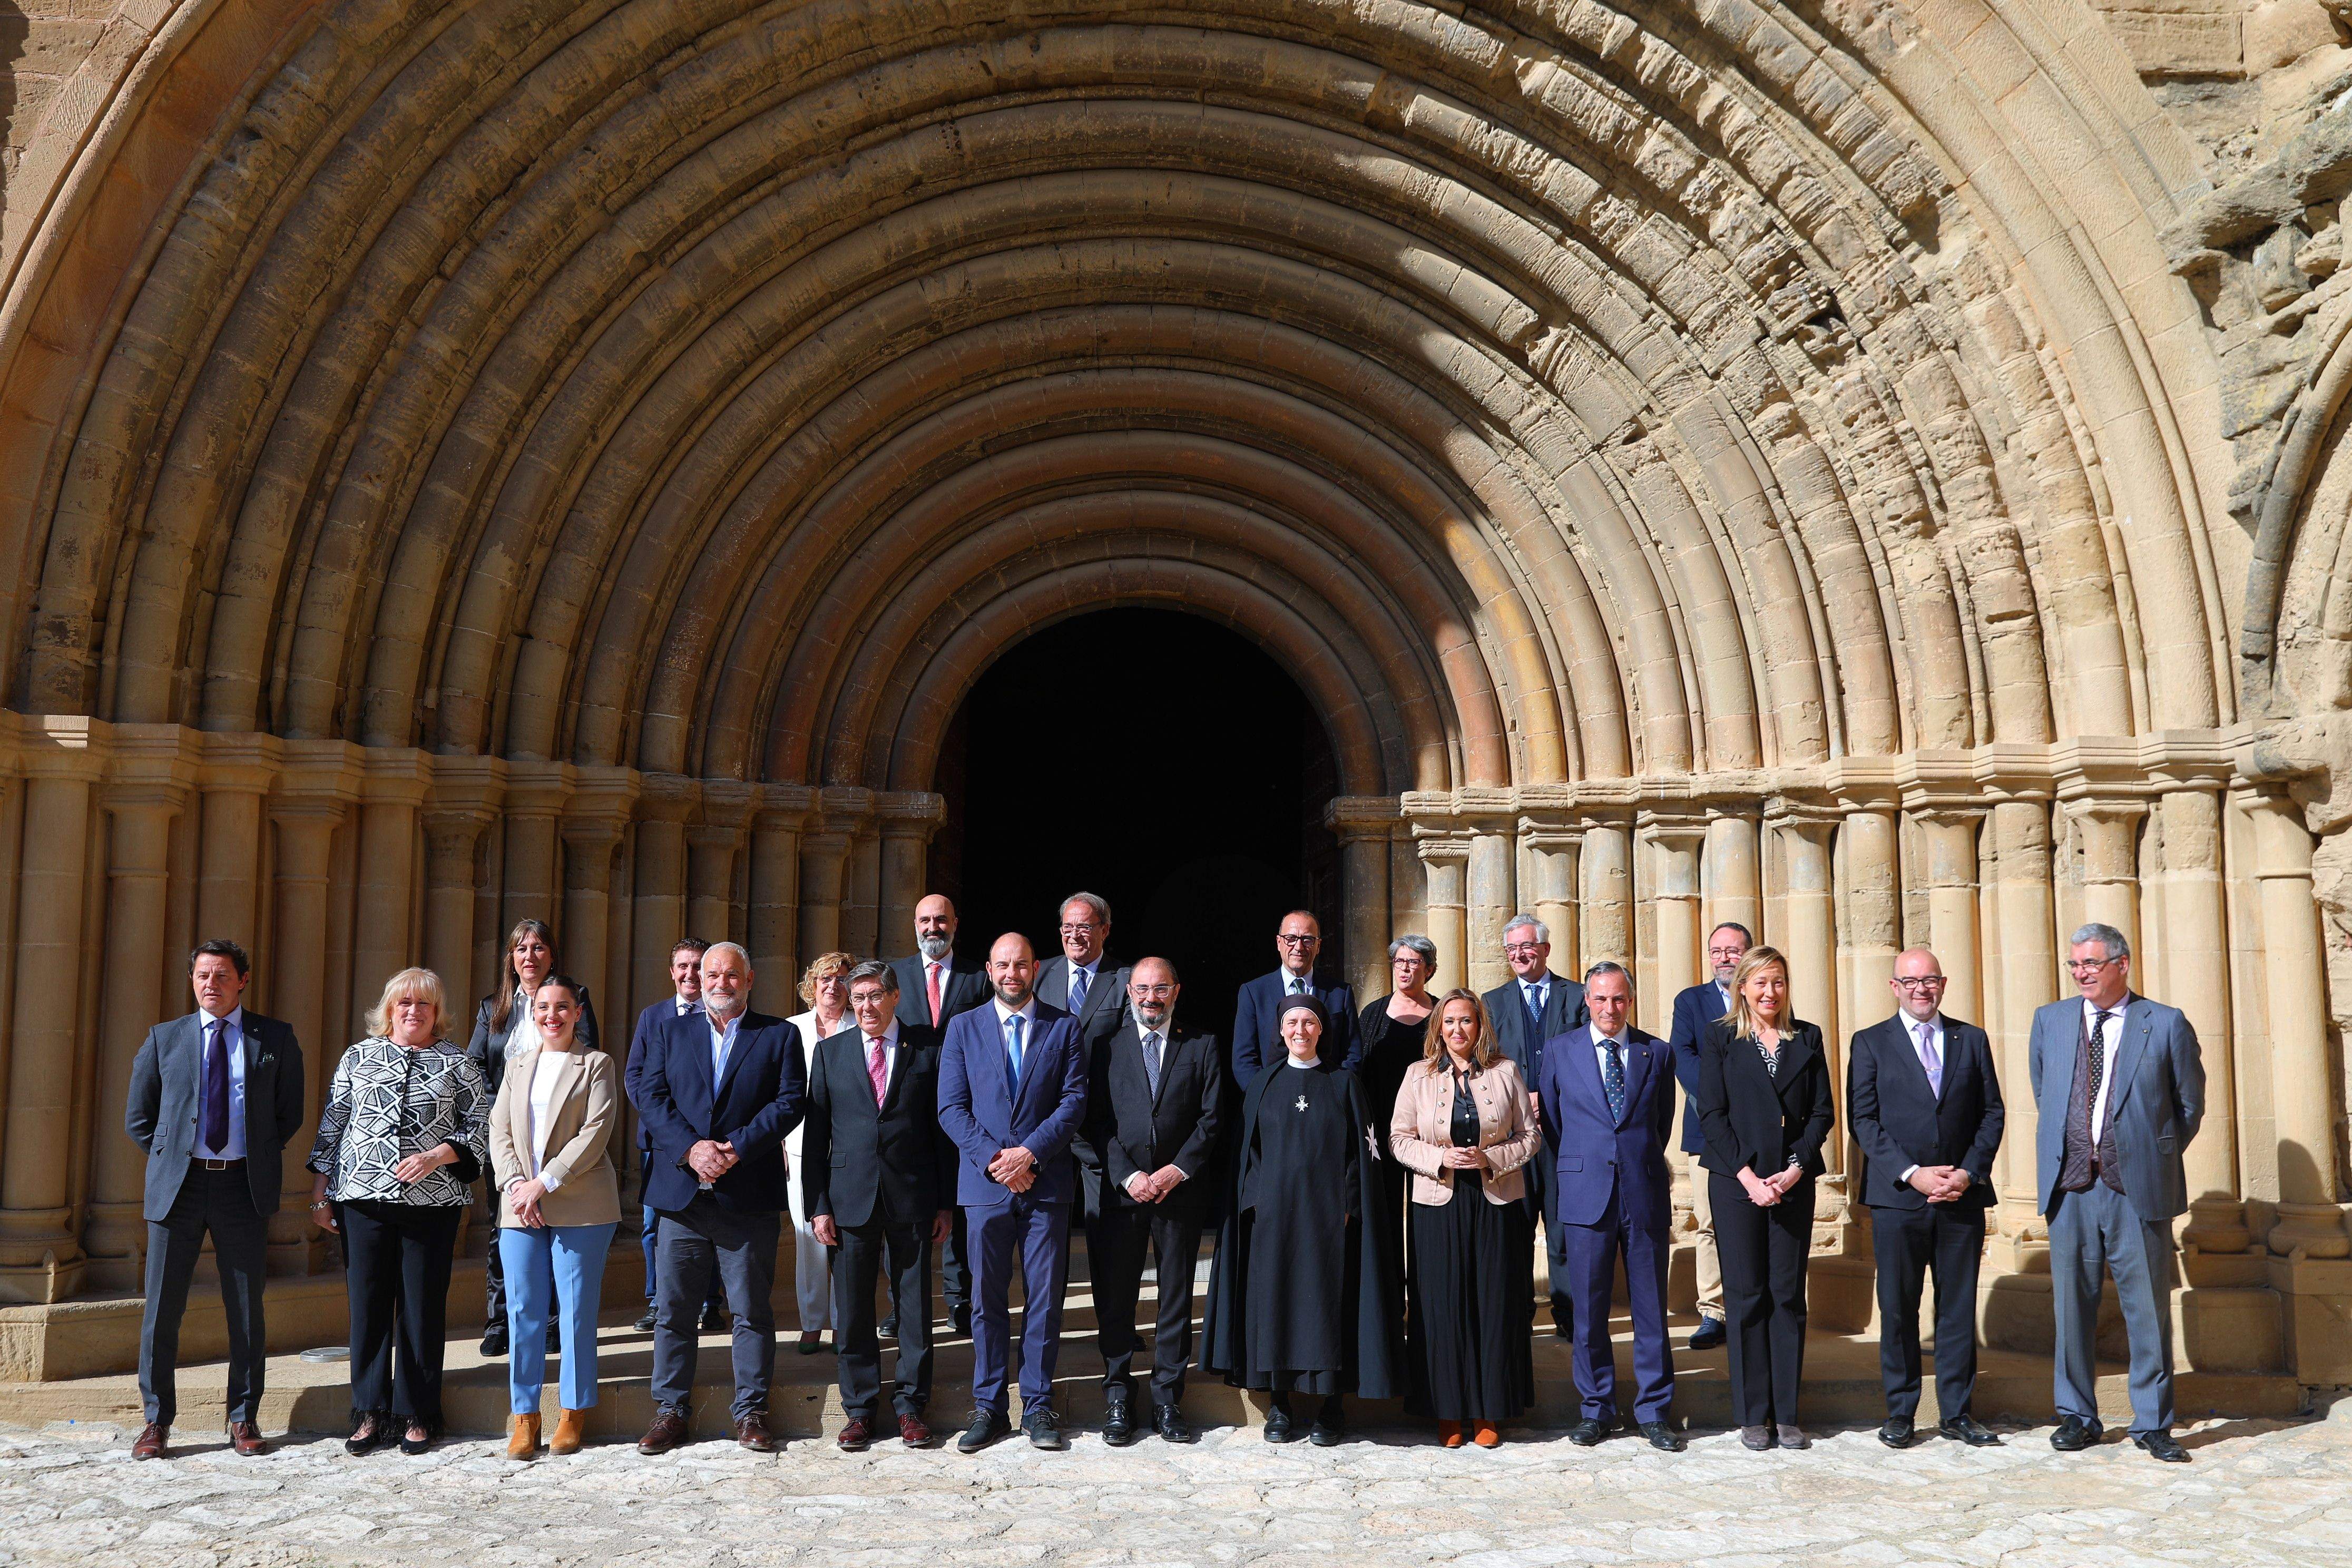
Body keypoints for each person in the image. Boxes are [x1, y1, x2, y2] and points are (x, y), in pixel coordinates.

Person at [123, 939, 306, 1461]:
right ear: (192, 980)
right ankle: (157, 1422)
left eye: (222, 976)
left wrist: (256, 1152)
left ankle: (243, 1417)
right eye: (203, 975)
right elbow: (140, 1118)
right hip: (178, 1189)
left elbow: (287, 1114)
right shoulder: (165, 1039)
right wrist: (173, 1156)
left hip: (241, 1186)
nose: (211, 984)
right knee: (162, 1309)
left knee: (246, 1310)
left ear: (242, 980)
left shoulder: (273, 1037)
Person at [2032, 923, 2203, 1464]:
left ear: (2122, 965)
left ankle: (2152, 1423)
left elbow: (2189, 1107)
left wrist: (2147, 1153)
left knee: (2147, 1308)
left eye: (2092, 964)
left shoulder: (2166, 1023)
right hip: (2071, 1184)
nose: (2082, 973)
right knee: (2071, 1307)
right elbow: (2046, 1091)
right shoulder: (2050, 1021)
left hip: (2137, 1188)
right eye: (2075, 965)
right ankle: (2078, 1416)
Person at [626, 941, 807, 1454]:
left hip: (746, 1196)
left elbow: (790, 1101)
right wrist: (691, 1149)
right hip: (682, 1198)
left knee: (751, 1311)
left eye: (732, 975)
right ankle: (671, 1410)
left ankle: (750, 1412)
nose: (720, 983)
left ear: (750, 980)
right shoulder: (668, 1029)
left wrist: (737, 1148)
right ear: (698, 980)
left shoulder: (779, 1035)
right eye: (712, 975)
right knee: (674, 1310)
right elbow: (651, 1097)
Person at [1202, 994, 1401, 1446]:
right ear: (1280, 1029)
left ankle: (1331, 1409)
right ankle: (1280, 1405)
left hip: (1331, 1221)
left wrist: (1350, 1205)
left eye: (1309, 1023)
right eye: (1292, 1022)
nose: (1300, 1031)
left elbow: (1362, 1156)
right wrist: (1256, 1204)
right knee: (1275, 1306)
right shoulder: (1263, 1084)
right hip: (1273, 1222)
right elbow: (1247, 1155)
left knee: (1328, 1307)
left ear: (1321, 1031)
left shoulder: (1344, 1084)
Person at [308, 967, 489, 1456]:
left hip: (432, 1206)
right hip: (362, 1201)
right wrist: (321, 1194)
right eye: (404, 1003)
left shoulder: (459, 1063)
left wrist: (438, 1155)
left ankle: (416, 1412)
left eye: (424, 1005)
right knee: (367, 1308)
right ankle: (368, 1410)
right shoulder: (359, 1057)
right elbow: (333, 1126)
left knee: (421, 1309)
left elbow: (483, 1129)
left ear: (438, 1013)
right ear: (389, 1009)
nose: (413, 1011)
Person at [937, 933, 1088, 1453]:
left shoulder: (1064, 1027)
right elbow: (951, 1108)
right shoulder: (962, 1028)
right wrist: (997, 1161)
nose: (1011, 973)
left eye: (1020, 965)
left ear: (1036, 968)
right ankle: (989, 1406)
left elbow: (1073, 1101)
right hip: (986, 1186)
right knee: (986, 1300)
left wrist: (1031, 1154)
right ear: (988, 968)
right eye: (1002, 964)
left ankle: (1039, 1405)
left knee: (1045, 1300)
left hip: (1046, 1185)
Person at [1849, 947, 2005, 1449]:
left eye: (1931, 980)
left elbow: (1992, 1113)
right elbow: (1864, 1121)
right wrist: (1913, 1175)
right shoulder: (1871, 1042)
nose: (1922, 989)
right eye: (1911, 981)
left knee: (1956, 1308)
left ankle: (1958, 1412)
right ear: (1894, 987)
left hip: (1961, 1197)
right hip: (1900, 1200)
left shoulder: (1971, 1039)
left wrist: (1968, 1173)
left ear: (1944, 983)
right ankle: (1900, 1412)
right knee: (1898, 1308)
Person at [802, 961, 954, 1452]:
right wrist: (818, 1204)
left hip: (912, 1196)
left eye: (873, 996)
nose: (865, 1006)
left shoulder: (927, 1048)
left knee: (913, 1308)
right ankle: (860, 1410)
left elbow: (941, 1135)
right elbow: (817, 1137)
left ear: (894, 998)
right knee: (853, 1312)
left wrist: (945, 1203)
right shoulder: (830, 1053)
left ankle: (911, 1408)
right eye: (857, 998)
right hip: (850, 1199)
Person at [1538, 963, 1683, 1452]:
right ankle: (1596, 1408)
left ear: (1631, 1000)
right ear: (1586, 1000)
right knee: (1589, 1309)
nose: (1609, 1008)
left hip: (1642, 1193)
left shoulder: (1657, 1053)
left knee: (1649, 1309)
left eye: (1618, 999)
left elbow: (1661, 1123)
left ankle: (1654, 1410)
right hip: (1585, 1194)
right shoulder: (1561, 1051)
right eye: (1600, 999)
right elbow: (1554, 1127)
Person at [1077, 957, 1223, 1446]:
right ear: (1128, 993)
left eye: (1161, 989)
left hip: (1179, 1193)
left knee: (1176, 1298)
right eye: (1142, 989)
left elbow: (1211, 1118)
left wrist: (1175, 1170)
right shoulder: (1103, 1048)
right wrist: (1129, 1175)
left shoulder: (1201, 1045)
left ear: (1176, 991)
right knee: (1115, 1297)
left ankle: (1167, 1399)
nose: (1150, 998)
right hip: (1122, 1194)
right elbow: (1094, 1122)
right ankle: (1118, 1395)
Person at [1696, 946, 1834, 1451]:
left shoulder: (1809, 1036)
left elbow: (1823, 1112)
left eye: (1777, 982)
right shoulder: (1720, 1037)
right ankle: (1754, 1414)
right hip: (1738, 1184)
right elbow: (1711, 1113)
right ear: (1743, 988)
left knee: (1786, 1297)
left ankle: (1788, 1414)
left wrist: (1795, 1169)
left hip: (1791, 1183)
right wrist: (1750, 1177)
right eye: (1760, 983)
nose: (1769, 992)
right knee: (1747, 1296)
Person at [1388, 991, 1537, 1448]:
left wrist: (1490, 1157)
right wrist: (1440, 1158)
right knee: (1442, 1304)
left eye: (1466, 1021)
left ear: (1480, 1026)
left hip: (1496, 1199)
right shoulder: (1418, 1076)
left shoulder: (1505, 1071)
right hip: (1438, 1201)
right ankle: (1448, 1412)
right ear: (1438, 1029)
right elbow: (1398, 1139)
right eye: (1449, 1022)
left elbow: (1530, 1137)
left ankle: (1489, 1411)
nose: (1458, 1030)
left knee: (1494, 1302)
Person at [489, 974, 621, 1459]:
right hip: (520, 1203)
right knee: (523, 1310)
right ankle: (525, 1418)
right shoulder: (518, 1064)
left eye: (562, 1007)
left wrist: (545, 1183)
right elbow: (498, 1127)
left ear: (577, 1012)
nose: (552, 1016)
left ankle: (572, 1411)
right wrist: (515, 1186)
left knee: (576, 1312)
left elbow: (596, 1131)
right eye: (543, 1007)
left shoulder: (596, 1064)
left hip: (581, 1204)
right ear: (532, 1012)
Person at [466, 918, 602, 1358]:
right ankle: (500, 1319)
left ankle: (551, 1323)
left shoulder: (574, 1000)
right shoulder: (494, 1008)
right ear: (511, 958)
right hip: (505, 1139)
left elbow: (585, 1068)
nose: (530, 956)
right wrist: (499, 1122)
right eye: (521, 949)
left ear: (551, 954)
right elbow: (475, 1070)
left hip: (559, 1138)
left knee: (558, 1225)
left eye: (539, 947)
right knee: (505, 1228)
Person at [1481, 914, 1587, 1336]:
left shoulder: (1577, 996)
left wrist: (1551, 1096)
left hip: (1564, 1135)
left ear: (1545, 949)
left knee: (1563, 1231)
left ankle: (1569, 1316)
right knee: (1516, 1229)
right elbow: (1485, 1064)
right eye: (1512, 950)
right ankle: (1518, 1314)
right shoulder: (1492, 1001)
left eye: (1527, 947)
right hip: (1512, 1137)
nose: (1520, 955)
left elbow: (1586, 1059)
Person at [891, 892, 988, 1335]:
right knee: (906, 1209)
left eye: (941, 920)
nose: (933, 928)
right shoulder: (896, 973)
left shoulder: (977, 976)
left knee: (961, 1204)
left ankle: (960, 1301)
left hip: (965, 1104)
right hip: (907, 1105)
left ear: (955, 923)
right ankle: (901, 1307)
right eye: (925, 920)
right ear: (915, 924)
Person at [626, 938, 722, 1332]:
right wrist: (672, 1129)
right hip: (662, 1145)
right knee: (655, 1226)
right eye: (682, 966)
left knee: (716, 1223)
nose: (690, 974)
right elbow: (636, 1079)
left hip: (715, 1145)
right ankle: (658, 1300)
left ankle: (710, 1302)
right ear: (671, 972)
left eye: (698, 966)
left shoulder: (722, 1016)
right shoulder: (654, 1017)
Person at [1670, 922, 1750, 1351]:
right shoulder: (1691, 1002)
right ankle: (1713, 1311)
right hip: (1707, 1130)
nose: (1724, 958)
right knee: (1710, 1222)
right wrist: (1727, 1102)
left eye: (1733, 950)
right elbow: (1683, 1058)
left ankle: (1750, 1307)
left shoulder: (1764, 997)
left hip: (1759, 1135)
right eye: (1717, 951)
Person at [783, 951, 855, 1355]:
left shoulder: (860, 1025)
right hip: (797, 1149)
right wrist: (778, 1142)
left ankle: (846, 1324)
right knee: (808, 1237)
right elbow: (777, 1092)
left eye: (841, 978)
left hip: (847, 1150)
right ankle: (812, 1324)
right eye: (824, 978)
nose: (833, 986)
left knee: (845, 1239)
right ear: (812, 985)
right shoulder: (791, 1030)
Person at [1356, 935, 1438, 1237]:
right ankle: (1388, 1285)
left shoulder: (1443, 1015)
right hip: (1381, 1126)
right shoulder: (1372, 1015)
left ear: (1428, 969)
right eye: (1399, 962)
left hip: (1429, 1128)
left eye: (1413, 962)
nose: (1404, 969)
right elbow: (1360, 1072)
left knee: (1427, 1209)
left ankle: (1425, 1284)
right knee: (1384, 1211)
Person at [1231, 910, 1361, 1084]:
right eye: (1290, 938)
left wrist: (1335, 1093)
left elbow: (1353, 1054)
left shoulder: (1340, 993)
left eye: (1307, 940)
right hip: (1272, 1103)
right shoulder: (1254, 993)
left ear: (1318, 946)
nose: (1299, 947)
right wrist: (1264, 1098)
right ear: (1279, 943)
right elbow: (1244, 1060)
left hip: (1326, 1100)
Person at [1035, 892, 1130, 1053]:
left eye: (1084, 927)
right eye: (1068, 927)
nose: (1074, 936)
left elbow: (1129, 1044)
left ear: (1105, 931)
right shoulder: (1037, 974)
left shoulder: (1126, 979)